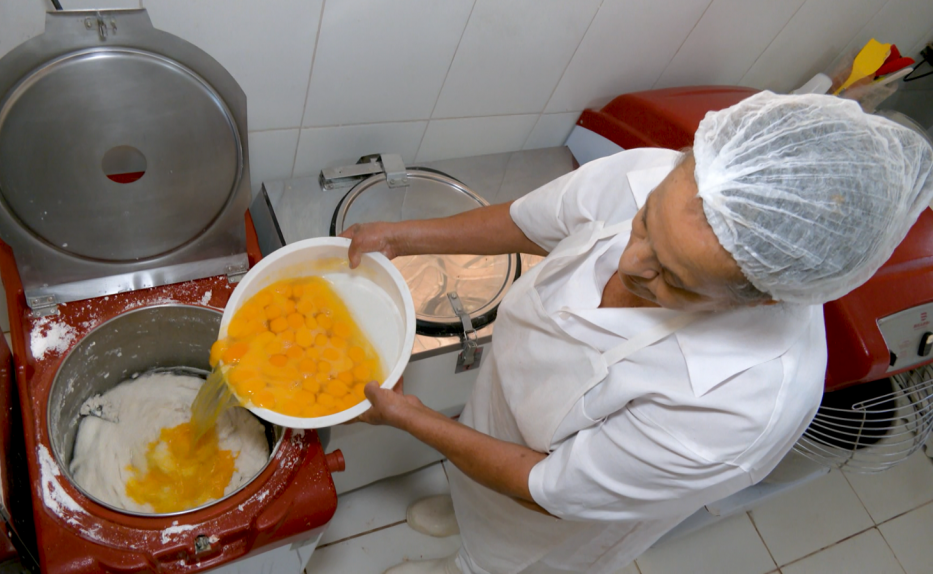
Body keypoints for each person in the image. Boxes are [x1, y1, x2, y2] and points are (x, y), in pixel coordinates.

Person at [341, 92, 933, 574]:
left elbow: (543, 489)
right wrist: (405, 237)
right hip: (504, 411)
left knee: (501, 555)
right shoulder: (661, 176)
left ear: (767, 293)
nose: (630, 263)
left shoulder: (738, 404)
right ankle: (463, 510)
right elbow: (529, 220)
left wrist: (410, 418)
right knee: (472, 478)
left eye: (674, 278)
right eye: (646, 223)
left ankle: (467, 563)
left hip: (548, 512)